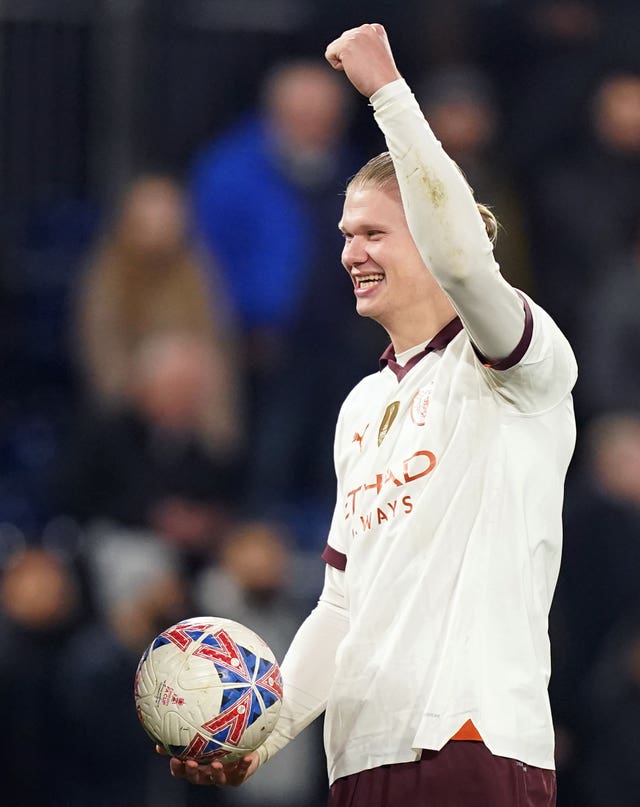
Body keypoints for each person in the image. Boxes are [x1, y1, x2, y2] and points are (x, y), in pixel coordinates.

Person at [163, 24, 577, 805]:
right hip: (358, 754)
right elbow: (340, 607)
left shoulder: (517, 362)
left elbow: (463, 260)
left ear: (429, 230)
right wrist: (264, 732)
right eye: (346, 234)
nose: (352, 251)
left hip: (470, 740)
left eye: (375, 233)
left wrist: (389, 92)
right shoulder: (364, 403)